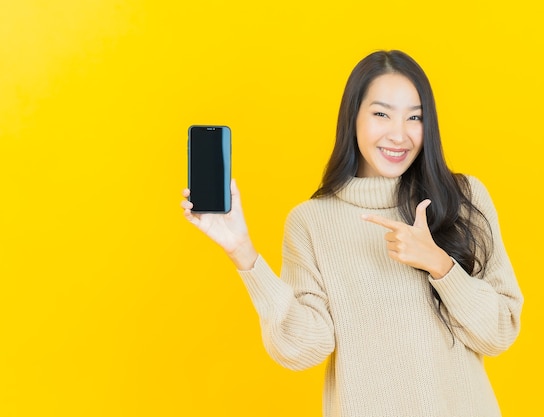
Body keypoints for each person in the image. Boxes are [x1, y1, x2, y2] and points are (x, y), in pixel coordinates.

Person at [181, 50, 523, 417]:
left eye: (415, 117)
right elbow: (303, 349)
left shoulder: (462, 199)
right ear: (353, 118)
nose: (399, 134)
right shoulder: (311, 221)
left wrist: (440, 264)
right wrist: (243, 253)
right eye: (381, 114)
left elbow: (500, 332)